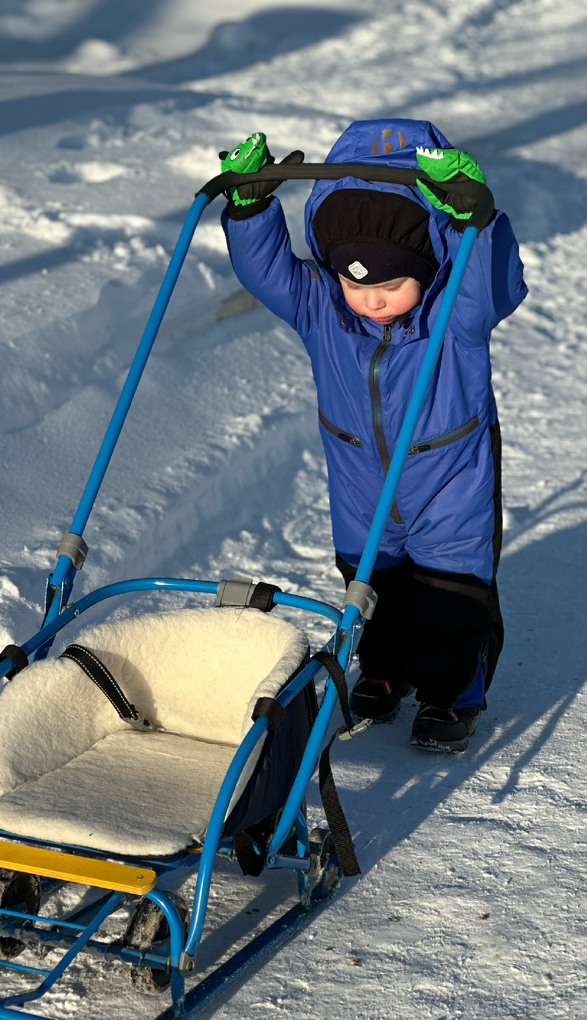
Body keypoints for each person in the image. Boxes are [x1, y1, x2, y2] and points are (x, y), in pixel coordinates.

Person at [219, 121, 527, 751]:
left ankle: (450, 695)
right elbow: (270, 274)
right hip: (361, 480)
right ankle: (385, 670)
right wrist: (250, 210)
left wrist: (477, 223)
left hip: (450, 479)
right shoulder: (322, 310)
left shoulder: (454, 312)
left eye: (391, 285)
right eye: (358, 285)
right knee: (369, 581)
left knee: (452, 592)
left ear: (429, 266)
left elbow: (493, 283)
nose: (374, 302)